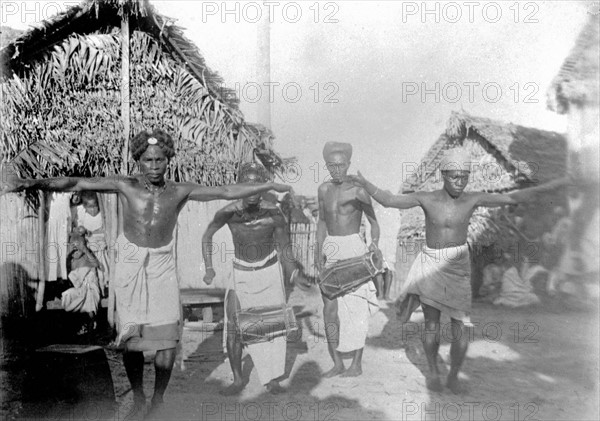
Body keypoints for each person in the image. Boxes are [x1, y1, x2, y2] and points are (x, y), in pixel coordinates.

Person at [0, 129, 292, 417]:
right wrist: (29, 181)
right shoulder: (125, 185)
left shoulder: (180, 191)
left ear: (169, 160)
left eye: (160, 160)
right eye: (148, 160)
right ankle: (138, 396)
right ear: (138, 161)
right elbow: (76, 181)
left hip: (162, 263)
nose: (154, 166)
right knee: (133, 338)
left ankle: (158, 398)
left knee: (167, 337)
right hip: (131, 261)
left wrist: (266, 187)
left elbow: (227, 190)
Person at [349, 147, 570, 393]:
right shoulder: (427, 198)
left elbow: (512, 198)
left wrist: (551, 187)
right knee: (431, 323)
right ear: (443, 174)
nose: (459, 182)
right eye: (455, 177)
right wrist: (364, 182)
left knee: (461, 325)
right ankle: (433, 371)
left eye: (464, 177)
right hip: (432, 263)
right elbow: (390, 200)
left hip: (458, 265)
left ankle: (453, 375)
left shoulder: (471, 199)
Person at [202, 163, 311, 395]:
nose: (251, 191)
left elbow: (284, 248)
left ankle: (271, 380)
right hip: (240, 272)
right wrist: (209, 268)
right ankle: (238, 380)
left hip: (269, 272)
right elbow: (207, 235)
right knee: (233, 326)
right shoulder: (228, 212)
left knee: (273, 326)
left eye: (256, 185)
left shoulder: (273, 213)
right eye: (246, 185)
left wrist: (292, 271)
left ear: (263, 187)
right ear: (239, 186)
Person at [316, 141, 380, 378]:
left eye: (341, 165)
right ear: (327, 165)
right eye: (331, 166)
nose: (337, 170)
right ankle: (337, 363)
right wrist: (317, 256)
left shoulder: (358, 190)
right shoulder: (323, 190)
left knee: (356, 308)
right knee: (329, 310)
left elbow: (374, 222)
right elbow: (322, 222)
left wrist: (374, 243)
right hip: (331, 247)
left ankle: (356, 363)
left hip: (353, 247)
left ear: (349, 164)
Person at [61, 227, 102, 335]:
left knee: (89, 297)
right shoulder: (71, 260)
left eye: (78, 249)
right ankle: (78, 324)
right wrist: (69, 253)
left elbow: (96, 265)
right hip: (77, 288)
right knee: (67, 295)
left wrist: (85, 250)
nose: (76, 252)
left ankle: (90, 323)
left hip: (90, 288)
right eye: (73, 250)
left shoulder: (87, 256)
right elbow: (65, 273)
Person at [73, 191, 109, 296]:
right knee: (91, 273)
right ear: (84, 207)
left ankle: (104, 290)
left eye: (95, 207)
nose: (93, 210)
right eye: (90, 207)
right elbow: (78, 228)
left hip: (102, 249)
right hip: (89, 251)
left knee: (104, 270)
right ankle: (94, 290)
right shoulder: (82, 215)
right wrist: (82, 229)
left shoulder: (102, 216)